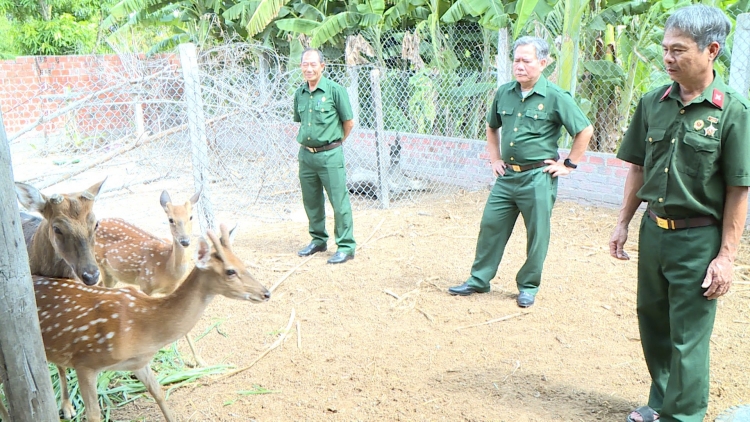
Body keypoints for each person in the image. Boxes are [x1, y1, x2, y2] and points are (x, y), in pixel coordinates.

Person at [609, 5, 750, 422]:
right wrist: (623, 222)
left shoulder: (733, 112)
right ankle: (661, 401)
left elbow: (739, 188)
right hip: (655, 232)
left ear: (711, 50)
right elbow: (637, 166)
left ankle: (682, 416)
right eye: (665, 49)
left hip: (698, 239)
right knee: (653, 322)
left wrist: (726, 256)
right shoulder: (653, 102)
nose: (668, 58)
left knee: (688, 336)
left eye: (679, 50)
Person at [448, 36, 593, 307]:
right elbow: (492, 127)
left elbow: (584, 129)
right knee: (490, 225)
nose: (520, 66)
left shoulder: (555, 97)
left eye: (527, 60)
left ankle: (528, 286)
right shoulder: (504, 92)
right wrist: (494, 159)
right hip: (507, 177)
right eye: (516, 60)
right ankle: (479, 280)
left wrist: (569, 164)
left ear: (543, 62)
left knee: (537, 233)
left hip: (538, 177)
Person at [293, 48, 356, 264]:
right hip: (306, 156)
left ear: (322, 66)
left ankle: (346, 246)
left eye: (313, 64)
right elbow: (301, 122)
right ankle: (318, 240)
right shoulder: (299, 94)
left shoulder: (335, 91)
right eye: (305, 64)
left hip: (330, 155)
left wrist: (336, 143)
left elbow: (349, 122)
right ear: (301, 66)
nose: (309, 68)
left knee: (339, 202)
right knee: (311, 201)